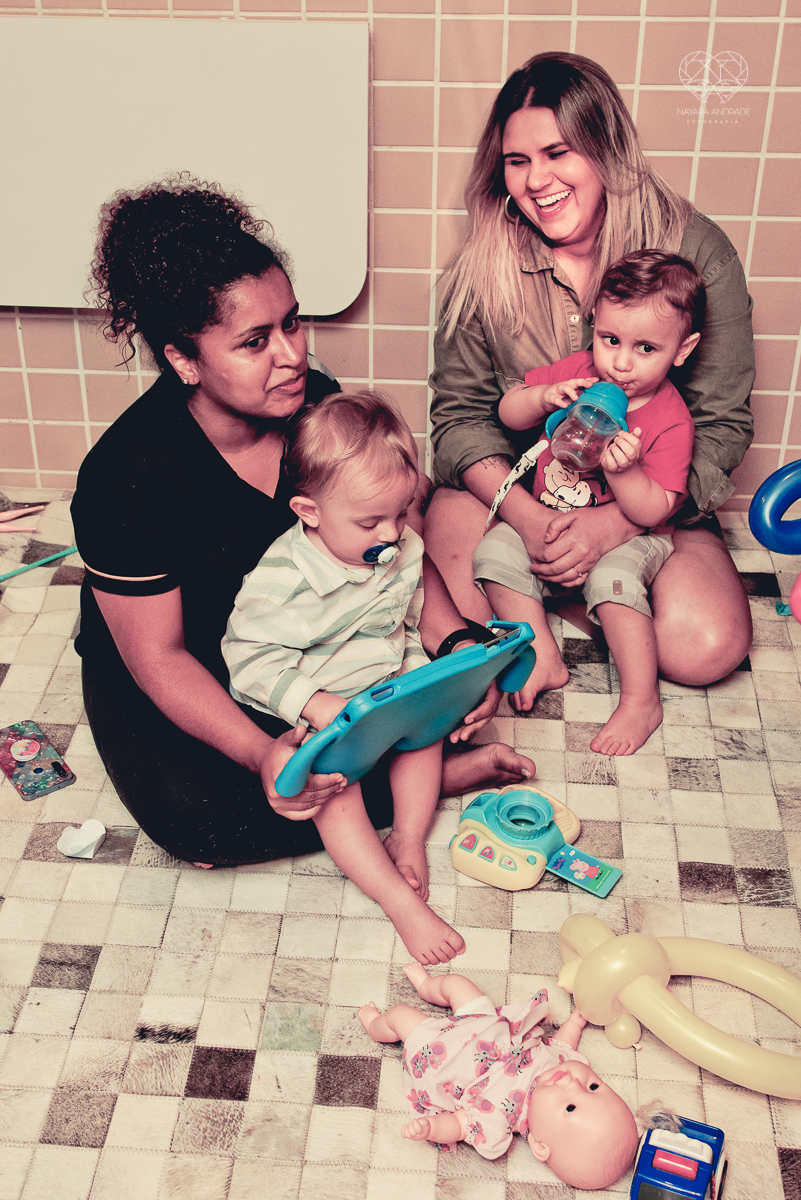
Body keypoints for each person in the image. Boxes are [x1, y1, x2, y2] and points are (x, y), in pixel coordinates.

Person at [70, 176, 534, 868]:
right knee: (200, 825)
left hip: (302, 632)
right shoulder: (124, 478)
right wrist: (262, 753)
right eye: (254, 342)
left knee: (371, 710)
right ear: (182, 359)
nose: (291, 355)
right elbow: (159, 659)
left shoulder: (315, 410)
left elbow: (392, 543)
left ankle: (407, 774)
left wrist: (457, 647)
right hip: (185, 655)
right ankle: (428, 779)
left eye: (291, 322)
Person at [425, 52, 754, 692]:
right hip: (522, 493)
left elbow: (721, 426)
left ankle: (569, 593)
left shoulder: (696, 250)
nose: (536, 179)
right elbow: (459, 420)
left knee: (702, 649)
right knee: (453, 612)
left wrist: (620, 522)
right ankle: (570, 598)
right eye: (517, 161)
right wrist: (528, 518)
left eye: (557, 153)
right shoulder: (479, 266)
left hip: (649, 504)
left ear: (606, 150)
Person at [222, 391, 464, 963]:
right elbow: (247, 659)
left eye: (400, 514)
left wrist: (430, 677)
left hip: (380, 683)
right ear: (310, 512)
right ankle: (399, 903)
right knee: (334, 786)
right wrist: (316, 702)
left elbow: (403, 621)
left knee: (425, 731)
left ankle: (408, 833)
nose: (390, 534)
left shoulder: (399, 548)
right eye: (368, 522)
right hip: (309, 703)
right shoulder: (282, 581)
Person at [474, 251, 702, 756]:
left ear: (682, 350)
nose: (620, 363)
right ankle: (540, 651)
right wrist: (543, 397)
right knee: (493, 553)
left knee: (613, 582)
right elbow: (507, 412)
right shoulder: (579, 372)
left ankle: (641, 700)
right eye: (611, 340)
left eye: (646, 348)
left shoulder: (670, 419)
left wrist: (626, 473)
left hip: (634, 536)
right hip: (552, 516)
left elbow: (652, 511)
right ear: (594, 325)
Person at [359, 963, 639, 1191]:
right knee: (456, 984)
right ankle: (426, 987)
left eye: (570, 1107)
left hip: (441, 1055)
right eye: (593, 1086)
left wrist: (431, 1127)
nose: (572, 1083)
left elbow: (458, 1125)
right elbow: (562, 1044)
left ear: (539, 1144)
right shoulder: (563, 1064)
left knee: (399, 1017)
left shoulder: (497, 1121)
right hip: (483, 1024)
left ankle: (374, 1025)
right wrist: (575, 1023)